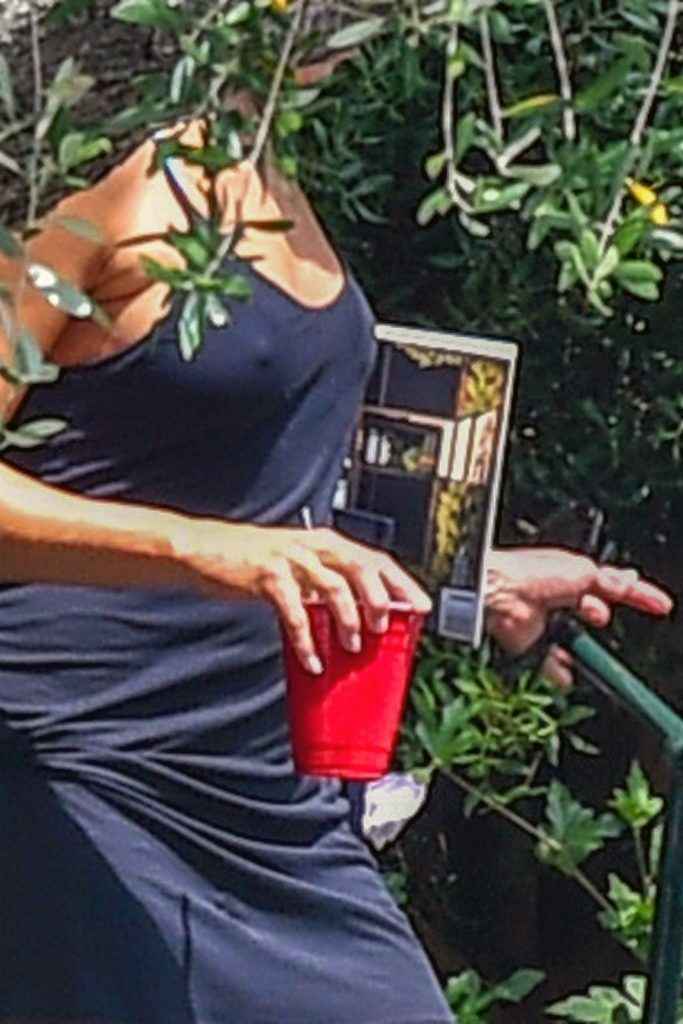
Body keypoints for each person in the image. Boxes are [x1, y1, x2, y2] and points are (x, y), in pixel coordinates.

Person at [0, 63, 672, 1022]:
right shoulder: (101, 177)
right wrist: (207, 551)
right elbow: (222, 531)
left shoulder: (270, 165)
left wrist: (470, 581)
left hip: (267, 784)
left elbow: (244, 474)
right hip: (83, 765)